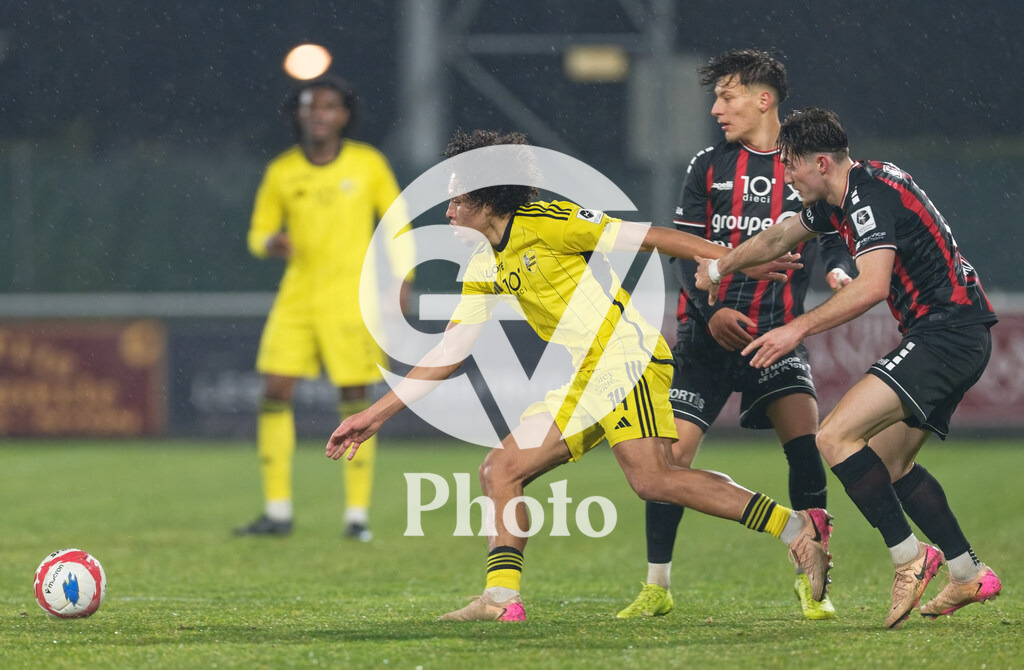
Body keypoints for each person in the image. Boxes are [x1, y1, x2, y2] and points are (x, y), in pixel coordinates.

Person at [326, 128, 834, 622]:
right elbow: (452, 348)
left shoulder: (550, 221)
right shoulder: (484, 260)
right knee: (502, 470)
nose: (448, 209)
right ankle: (501, 597)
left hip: (624, 358)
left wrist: (732, 263)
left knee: (653, 478)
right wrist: (374, 414)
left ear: (486, 199)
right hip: (588, 374)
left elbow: (651, 236)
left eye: (457, 198)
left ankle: (796, 530)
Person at [695, 107, 1001, 629]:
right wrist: (720, 266)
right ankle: (968, 571)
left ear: (819, 163)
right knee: (890, 462)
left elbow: (873, 285)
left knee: (833, 437)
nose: (786, 175)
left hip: (946, 333)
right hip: (955, 333)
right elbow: (777, 238)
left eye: (791, 165)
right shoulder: (845, 194)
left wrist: (796, 328)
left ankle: (910, 558)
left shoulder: (865, 195)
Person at [617, 49, 854, 622]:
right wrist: (710, 310)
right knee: (668, 462)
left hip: (774, 335)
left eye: (727, 96)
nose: (717, 108)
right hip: (703, 335)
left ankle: (812, 580)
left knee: (806, 450)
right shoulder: (708, 165)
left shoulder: (807, 167)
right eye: (717, 97)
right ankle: (657, 585)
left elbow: (828, 231)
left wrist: (838, 267)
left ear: (763, 99)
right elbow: (682, 252)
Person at [236, 75, 414, 541]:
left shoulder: (368, 163)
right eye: (311, 106)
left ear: (344, 115)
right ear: (299, 114)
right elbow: (256, 234)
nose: (320, 114)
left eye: (330, 106)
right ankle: (277, 511)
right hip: (296, 301)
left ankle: (356, 516)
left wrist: (403, 280)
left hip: (349, 303)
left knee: (356, 402)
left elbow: (397, 223)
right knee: (274, 391)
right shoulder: (282, 171)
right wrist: (271, 241)